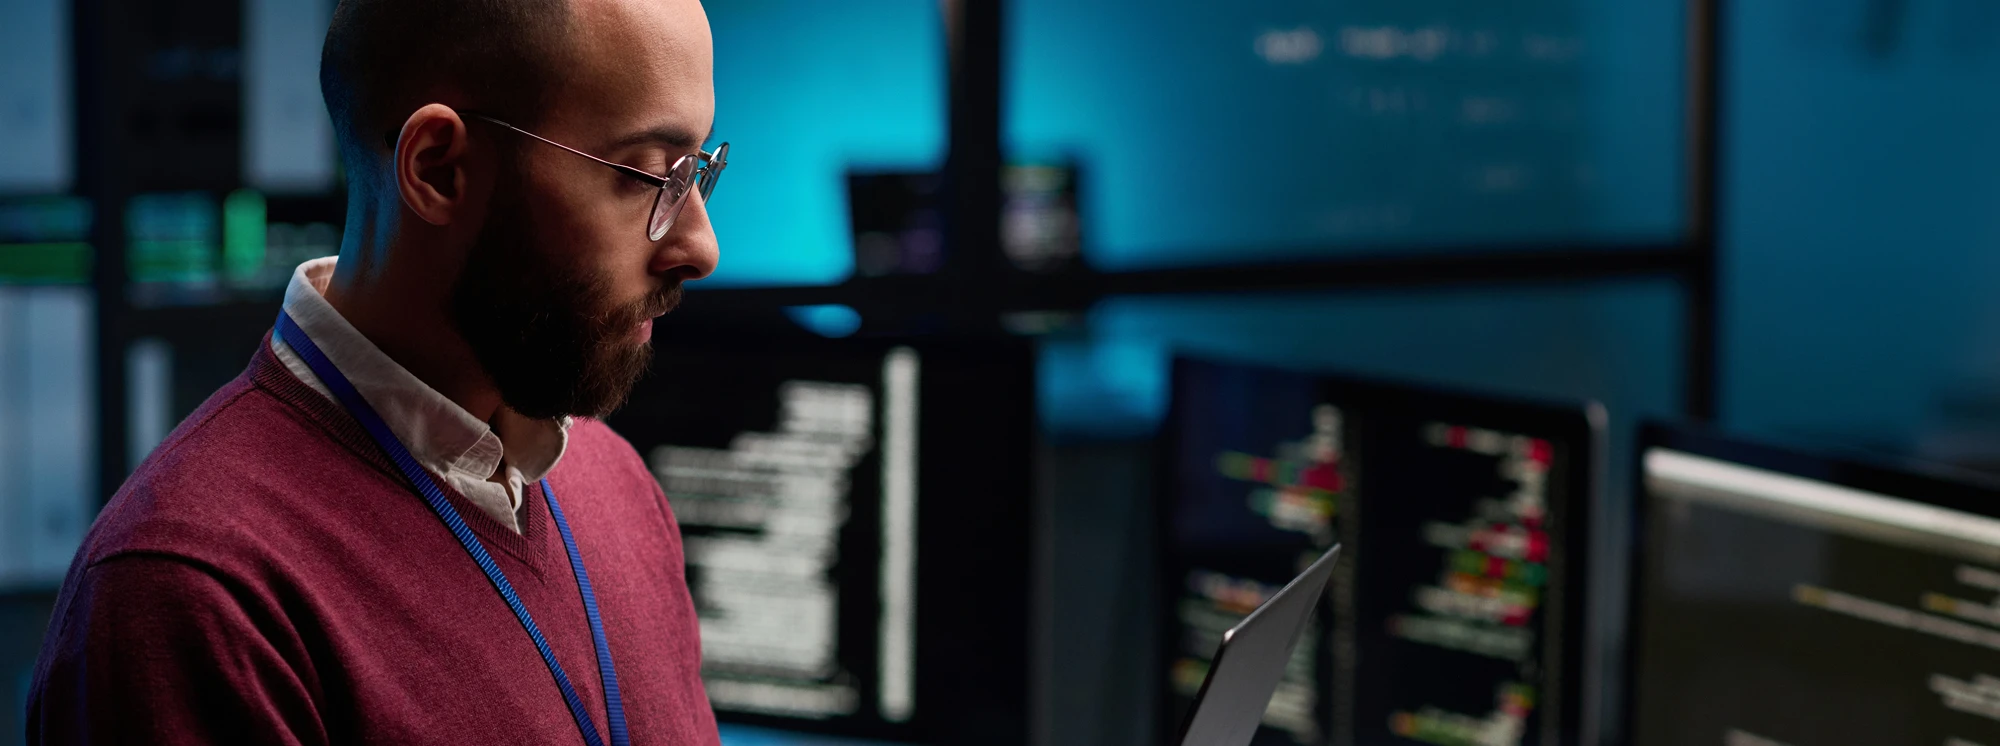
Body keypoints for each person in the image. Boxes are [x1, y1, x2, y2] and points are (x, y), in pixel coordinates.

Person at [27, 0, 725, 742]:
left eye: (698, 173)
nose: (701, 247)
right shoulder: (191, 591)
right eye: (652, 177)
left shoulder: (617, 490)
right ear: (438, 169)